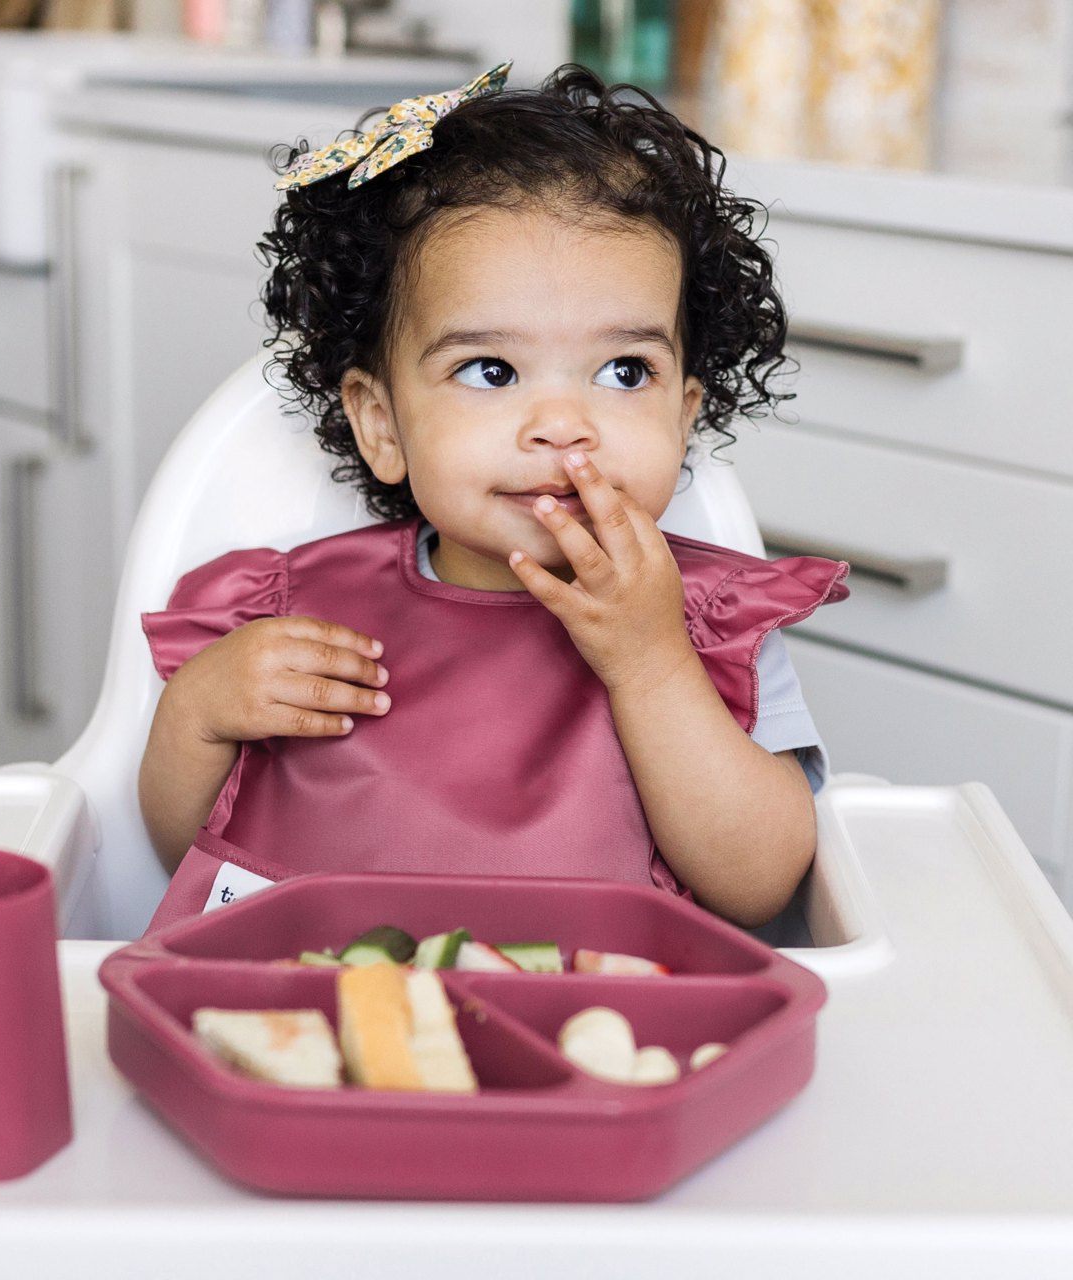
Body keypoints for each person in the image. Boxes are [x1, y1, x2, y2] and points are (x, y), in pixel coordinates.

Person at [137, 61, 850, 934]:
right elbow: (179, 852)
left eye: (626, 372)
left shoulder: (706, 626)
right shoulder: (285, 611)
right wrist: (199, 716)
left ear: (684, 414)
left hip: (603, 1005)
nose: (563, 425)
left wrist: (653, 666)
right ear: (381, 424)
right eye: (491, 371)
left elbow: (763, 884)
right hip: (311, 997)